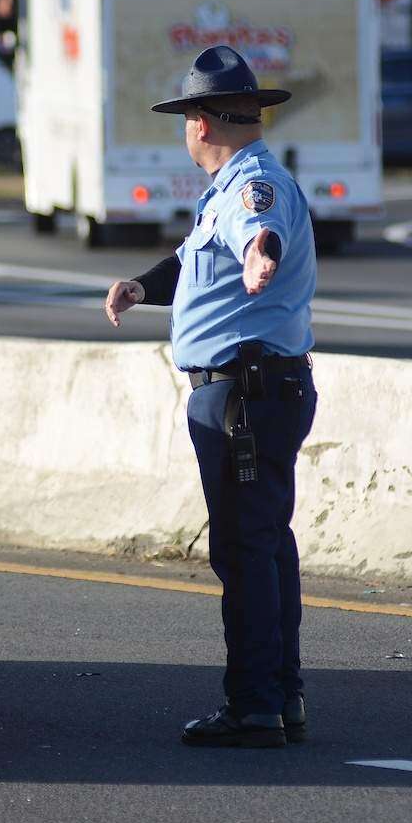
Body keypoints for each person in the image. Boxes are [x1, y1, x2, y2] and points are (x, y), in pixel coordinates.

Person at [103, 45, 319, 748]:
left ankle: (255, 704)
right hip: (253, 392)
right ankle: (281, 697)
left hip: (242, 400)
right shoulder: (229, 187)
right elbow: (205, 257)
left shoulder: (254, 187)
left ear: (199, 122)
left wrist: (263, 255)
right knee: (265, 545)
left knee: (245, 550)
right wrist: (144, 286)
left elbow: (260, 234)